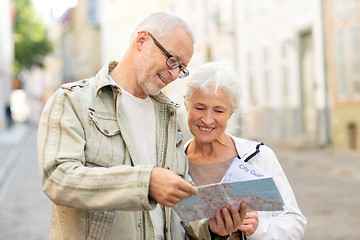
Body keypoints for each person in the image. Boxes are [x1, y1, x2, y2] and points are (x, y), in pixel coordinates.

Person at [37, 12, 245, 240]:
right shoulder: (74, 101)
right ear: (142, 40)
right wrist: (144, 183)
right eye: (172, 61)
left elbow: (182, 201)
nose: (174, 74)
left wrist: (212, 227)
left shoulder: (167, 114)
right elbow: (58, 179)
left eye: (182, 68)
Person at [183, 61, 307, 240]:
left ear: (231, 113)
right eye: (200, 108)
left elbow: (295, 222)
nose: (207, 119)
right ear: (186, 103)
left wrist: (258, 229)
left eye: (218, 111)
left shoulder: (258, 156)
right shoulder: (175, 162)